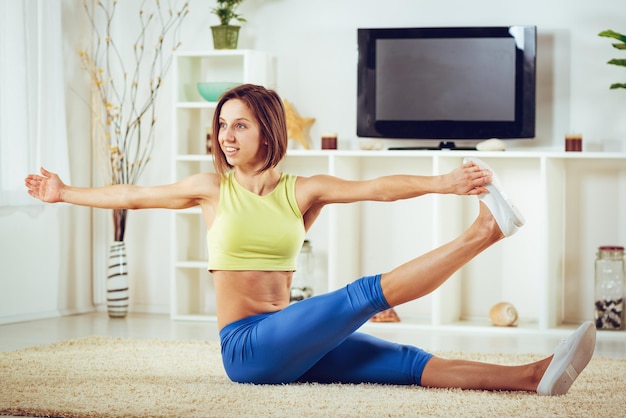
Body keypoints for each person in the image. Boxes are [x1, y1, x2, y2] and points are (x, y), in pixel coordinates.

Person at [25, 83, 595, 395]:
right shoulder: (209, 189)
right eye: (221, 125)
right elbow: (131, 197)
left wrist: (443, 182)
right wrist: (65, 191)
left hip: (296, 341)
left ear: (267, 128)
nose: (226, 136)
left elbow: (378, 187)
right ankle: (484, 232)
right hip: (248, 348)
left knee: (410, 363)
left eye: (240, 124)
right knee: (361, 295)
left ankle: (532, 377)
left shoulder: (303, 190)